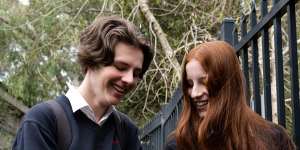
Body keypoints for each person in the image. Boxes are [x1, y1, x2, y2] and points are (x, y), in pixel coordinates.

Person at [13, 16, 153, 150]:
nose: (129, 79)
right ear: (92, 61)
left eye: (136, 74)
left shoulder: (127, 132)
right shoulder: (43, 121)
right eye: (120, 67)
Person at [164, 41, 296, 150]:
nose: (195, 93)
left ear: (227, 84)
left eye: (203, 81)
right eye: (190, 84)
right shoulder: (180, 144)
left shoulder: (274, 138)